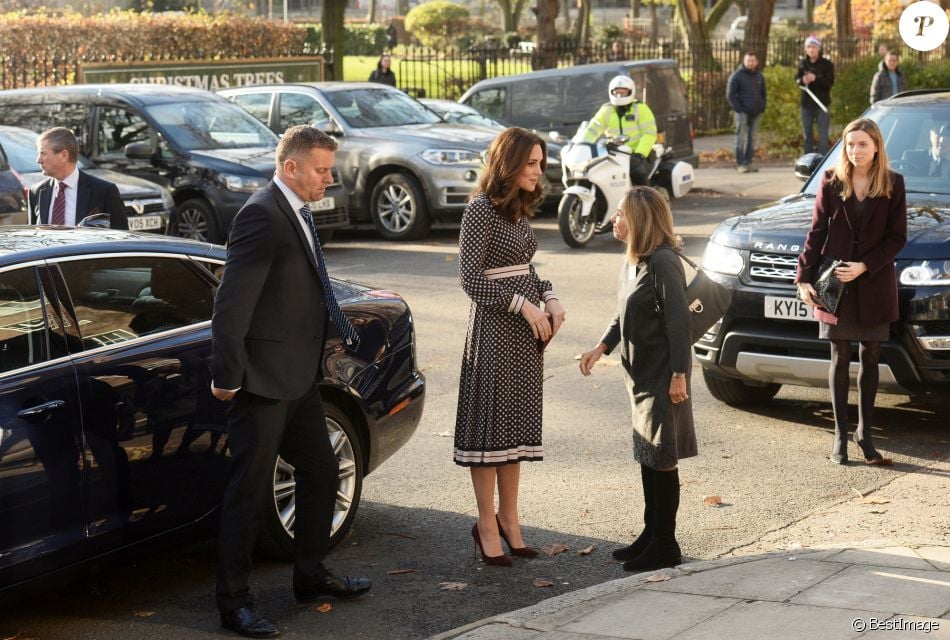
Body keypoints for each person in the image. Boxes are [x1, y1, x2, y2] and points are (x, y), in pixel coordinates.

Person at [211, 125, 370, 638]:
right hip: (260, 381)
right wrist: (227, 375)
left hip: (299, 376)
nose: (330, 179)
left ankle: (310, 575)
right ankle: (234, 604)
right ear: (291, 168)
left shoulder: (296, 210)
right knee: (249, 495)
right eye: (322, 170)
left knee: (322, 472)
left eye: (330, 169)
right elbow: (231, 304)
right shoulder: (260, 214)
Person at [454, 127, 566, 567]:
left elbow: (524, 267)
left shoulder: (517, 209)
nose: (539, 171)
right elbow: (470, 278)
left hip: (523, 336)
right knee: (489, 432)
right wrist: (523, 305)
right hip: (494, 332)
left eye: (541, 163)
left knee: (512, 434)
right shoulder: (479, 210)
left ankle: (510, 519)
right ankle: (485, 525)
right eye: (532, 163)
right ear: (509, 163)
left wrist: (550, 297)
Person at [579, 186, 695, 572]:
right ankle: (651, 533)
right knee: (648, 453)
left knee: (662, 459)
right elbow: (623, 313)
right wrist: (601, 347)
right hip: (639, 375)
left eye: (620, 214)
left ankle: (666, 544)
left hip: (664, 375)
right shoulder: (634, 260)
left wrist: (680, 374)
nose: (614, 220)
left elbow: (679, 322)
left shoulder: (663, 261)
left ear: (639, 220)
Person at [795, 118, 906, 467]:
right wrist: (803, 278)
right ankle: (840, 438)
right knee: (839, 356)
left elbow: (897, 238)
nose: (855, 151)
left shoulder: (893, 183)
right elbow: (815, 233)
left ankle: (865, 434)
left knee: (870, 355)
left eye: (862, 144)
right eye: (849, 144)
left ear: (876, 147)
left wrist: (865, 266)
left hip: (873, 283)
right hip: (835, 285)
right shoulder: (830, 181)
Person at [28, 127, 127, 229]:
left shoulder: (104, 192)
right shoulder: (36, 192)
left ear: (64, 155)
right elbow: (34, 237)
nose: (38, 160)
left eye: (43, 154)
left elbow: (121, 239)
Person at [582, 75, 657, 187]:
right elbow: (592, 130)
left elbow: (649, 134)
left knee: (638, 175)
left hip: (637, 155)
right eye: (617, 92)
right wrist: (583, 145)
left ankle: (647, 200)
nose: (619, 95)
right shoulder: (606, 110)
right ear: (611, 92)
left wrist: (640, 154)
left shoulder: (640, 108)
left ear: (631, 92)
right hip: (613, 154)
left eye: (623, 92)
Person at [727, 51, 767, 173]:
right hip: (742, 113)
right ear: (744, 61)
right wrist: (739, 109)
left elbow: (763, 94)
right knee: (741, 138)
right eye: (748, 60)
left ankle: (748, 162)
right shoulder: (737, 76)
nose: (750, 63)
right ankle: (741, 164)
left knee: (752, 139)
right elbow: (730, 95)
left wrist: (762, 106)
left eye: (752, 60)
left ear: (756, 62)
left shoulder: (759, 76)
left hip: (756, 113)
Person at [795, 35, 835, 156]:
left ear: (818, 48)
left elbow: (830, 82)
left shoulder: (827, 64)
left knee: (823, 134)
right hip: (806, 104)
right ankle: (808, 157)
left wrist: (816, 78)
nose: (811, 49)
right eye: (808, 47)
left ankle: (822, 158)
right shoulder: (802, 64)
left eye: (813, 47)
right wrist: (803, 80)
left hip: (822, 104)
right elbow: (797, 79)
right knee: (807, 133)